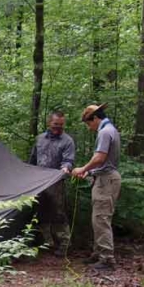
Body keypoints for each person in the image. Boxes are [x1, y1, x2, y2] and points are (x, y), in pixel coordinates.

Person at [71, 104, 121, 271]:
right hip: (103, 178)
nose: (89, 127)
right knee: (98, 219)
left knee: (101, 219)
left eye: (88, 123)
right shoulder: (109, 129)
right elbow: (103, 162)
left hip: (106, 181)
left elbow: (100, 157)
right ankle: (98, 253)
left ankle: (107, 258)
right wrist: (90, 172)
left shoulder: (105, 132)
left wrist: (83, 169)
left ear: (95, 118)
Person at [28, 111, 75, 257]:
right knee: (40, 212)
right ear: (50, 122)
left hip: (56, 182)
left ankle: (64, 245)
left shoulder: (67, 141)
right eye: (55, 124)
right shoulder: (40, 139)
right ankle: (46, 243)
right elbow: (33, 159)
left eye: (61, 125)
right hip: (39, 182)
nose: (58, 127)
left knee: (58, 213)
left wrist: (66, 167)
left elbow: (69, 160)